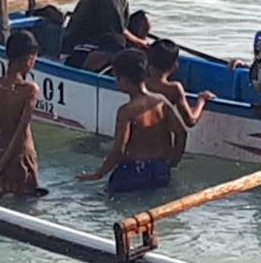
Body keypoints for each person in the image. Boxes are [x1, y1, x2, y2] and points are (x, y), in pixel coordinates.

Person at [78, 49, 186, 193]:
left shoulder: (126, 111)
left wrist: (98, 174)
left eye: (117, 78)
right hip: (160, 170)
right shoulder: (161, 102)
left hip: (133, 171)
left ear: (125, 80)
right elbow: (182, 133)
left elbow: (119, 150)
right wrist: (172, 163)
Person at [0, 30, 46, 197]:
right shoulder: (29, 89)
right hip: (21, 157)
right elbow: (21, 130)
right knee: (27, 207)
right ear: (29, 59)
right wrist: (1, 165)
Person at [146, 39, 215, 127]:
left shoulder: (140, 81)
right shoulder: (173, 88)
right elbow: (191, 121)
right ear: (174, 66)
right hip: (162, 136)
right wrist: (201, 100)